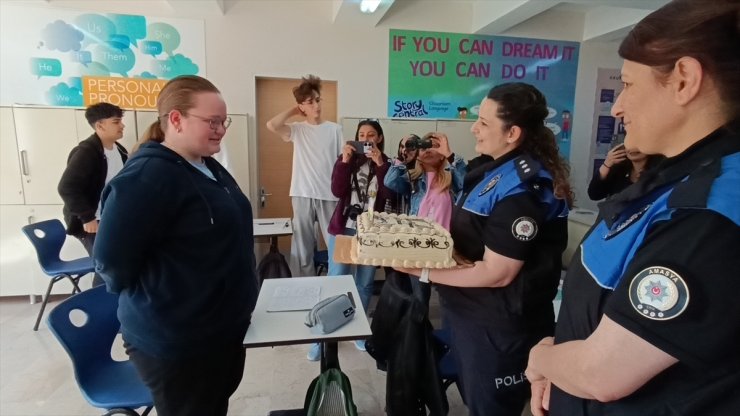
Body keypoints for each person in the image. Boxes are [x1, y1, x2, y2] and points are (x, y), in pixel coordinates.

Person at [525, 1, 740, 415]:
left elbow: (603, 373)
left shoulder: (711, 211)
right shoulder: (674, 180)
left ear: (684, 81)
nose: (617, 106)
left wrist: (541, 358)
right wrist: (561, 368)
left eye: (628, 84)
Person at [396, 82, 572, 416]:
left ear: (513, 133)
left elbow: (498, 273)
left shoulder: (522, 189)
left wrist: (423, 270)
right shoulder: (493, 168)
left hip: (499, 328)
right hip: (468, 316)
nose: (474, 128)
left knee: (490, 407)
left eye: (485, 123)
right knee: (473, 397)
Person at [94, 75, 259, 416]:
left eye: (223, 121)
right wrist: (172, 292)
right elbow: (111, 262)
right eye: (211, 121)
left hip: (218, 331)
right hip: (178, 341)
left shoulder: (206, 165)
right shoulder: (147, 178)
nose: (221, 129)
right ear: (175, 119)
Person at [322, 119, 393, 358]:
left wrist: (381, 164)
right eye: (361, 134)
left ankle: (359, 332)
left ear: (379, 138)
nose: (366, 138)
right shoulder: (347, 161)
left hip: (372, 233)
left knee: (364, 283)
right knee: (337, 279)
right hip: (346, 229)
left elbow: (389, 193)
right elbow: (337, 191)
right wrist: (344, 161)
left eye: (371, 134)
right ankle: (326, 331)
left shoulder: (388, 163)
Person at [266, 75, 344, 277]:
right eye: (310, 102)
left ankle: (336, 283)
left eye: (317, 100)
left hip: (329, 194)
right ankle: (304, 285)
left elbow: (342, 162)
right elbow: (272, 125)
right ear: (302, 106)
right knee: (302, 245)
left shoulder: (335, 129)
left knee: (334, 242)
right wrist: (295, 109)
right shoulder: (297, 130)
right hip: (302, 192)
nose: (316, 105)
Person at [384, 132, 466, 305]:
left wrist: (450, 155)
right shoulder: (413, 180)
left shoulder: (451, 180)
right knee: (419, 299)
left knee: (449, 299)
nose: (427, 150)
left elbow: (467, 184)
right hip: (418, 246)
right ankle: (420, 331)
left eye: (434, 146)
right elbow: (389, 182)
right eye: (423, 147)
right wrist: (404, 156)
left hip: (446, 248)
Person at [58, 102, 127, 286]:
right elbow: (67, 187)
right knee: (105, 265)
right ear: (100, 125)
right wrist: (87, 217)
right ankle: (98, 308)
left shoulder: (119, 150)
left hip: (110, 219)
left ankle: (112, 304)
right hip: (90, 224)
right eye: (116, 121)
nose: (122, 125)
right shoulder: (87, 152)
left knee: (117, 261)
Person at [587, 144, 664, 200]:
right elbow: (594, 195)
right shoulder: (620, 170)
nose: (633, 148)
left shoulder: (660, 174)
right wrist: (606, 165)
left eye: (637, 143)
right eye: (629, 143)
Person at [384, 134, 420, 214]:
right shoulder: (397, 168)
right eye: (402, 146)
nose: (405, 150)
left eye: (409, 146)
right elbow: (389, 182)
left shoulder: (419, 174)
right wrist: (400, 160)